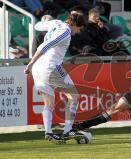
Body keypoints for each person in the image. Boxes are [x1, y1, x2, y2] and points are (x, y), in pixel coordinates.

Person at [24, 13, 87, 144]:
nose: (78, 32)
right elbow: (46, 45)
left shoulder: (56, 23)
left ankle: (48, 132)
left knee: (49, 104)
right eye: (79, 29)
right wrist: (30, 62)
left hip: (38, 68)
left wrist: (33, 64)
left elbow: (37, 25)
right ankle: (67, 131)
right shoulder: (66, 31)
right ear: (75, 24)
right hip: (50, 66)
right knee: (74, 96)